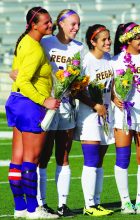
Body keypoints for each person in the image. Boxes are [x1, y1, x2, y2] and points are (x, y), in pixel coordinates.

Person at [5, 6, 60, 219]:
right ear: (34, 25)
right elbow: (24, 80)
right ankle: (32, 209)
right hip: (29, 104)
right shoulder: (35, 48)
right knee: (31, 159)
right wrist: (44, 100)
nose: (50, 24)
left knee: (17, 159)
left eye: (50, 21)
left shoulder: (25, 41)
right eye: (46, 22)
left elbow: (17, 73)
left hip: (16, 102)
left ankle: (20, 207)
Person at [37, 9, 83, 217]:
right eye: (72, 24)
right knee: (43, 157)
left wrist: (76, 87)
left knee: (63, 156)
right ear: (61, 24)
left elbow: (80, 78)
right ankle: (41, 203)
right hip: (46, 107)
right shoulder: (45, 43)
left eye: (78, 24)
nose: (76, 28)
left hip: (66, 107)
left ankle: (63, 205)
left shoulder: (80, 48)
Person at [110, 22, 140, 214]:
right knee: (123, 158)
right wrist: (113, 96)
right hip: (123, 115)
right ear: (127, 40)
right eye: (138, 37)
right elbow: (108, 86)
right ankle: (125, 202)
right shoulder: (115, 61)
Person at [74, 24, 114, 217]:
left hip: (106, 115)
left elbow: (112, 87)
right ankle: (88, 205)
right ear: (93, 41)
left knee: (99, 161)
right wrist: (94, 105)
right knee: (91, 160)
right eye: (104, 39)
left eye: (109, 38)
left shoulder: (109, 60)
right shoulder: (86, 61)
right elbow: (76, 90)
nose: (108, 42)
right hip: (89, 115)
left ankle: (97, 203)